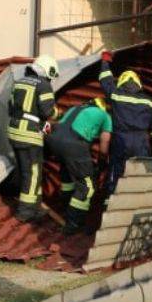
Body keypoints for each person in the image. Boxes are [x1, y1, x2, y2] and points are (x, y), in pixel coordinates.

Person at [99, 51, 152, 197]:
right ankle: (135, 202)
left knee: (116, 171)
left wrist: (105, 62)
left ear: (121, 81)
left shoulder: (116, 95)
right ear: (138, 84)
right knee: (139, 175)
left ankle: (111, 202)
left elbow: (105, 80)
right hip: (141, 142)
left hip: (121, 140)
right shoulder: (150, 102)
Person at [47, 95, 112, 235]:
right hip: (73, 144)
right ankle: (73, 224)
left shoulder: (74, 108)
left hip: (53, 141)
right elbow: (105, 141)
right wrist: (102, 161)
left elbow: (58, 123)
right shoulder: (105, 115)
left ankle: (64, 208)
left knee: (67, 177)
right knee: (87, 186)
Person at [8, 54, 60, 222]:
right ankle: (25, 212)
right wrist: (57, 112)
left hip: (14, 130)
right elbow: (47, 112)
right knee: (33, 173)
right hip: (29, 134)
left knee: (26, 171)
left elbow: (10, 107)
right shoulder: (44, 85)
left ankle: (34, 207)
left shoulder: (19, 82)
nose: (51, 79)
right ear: (46, 70)